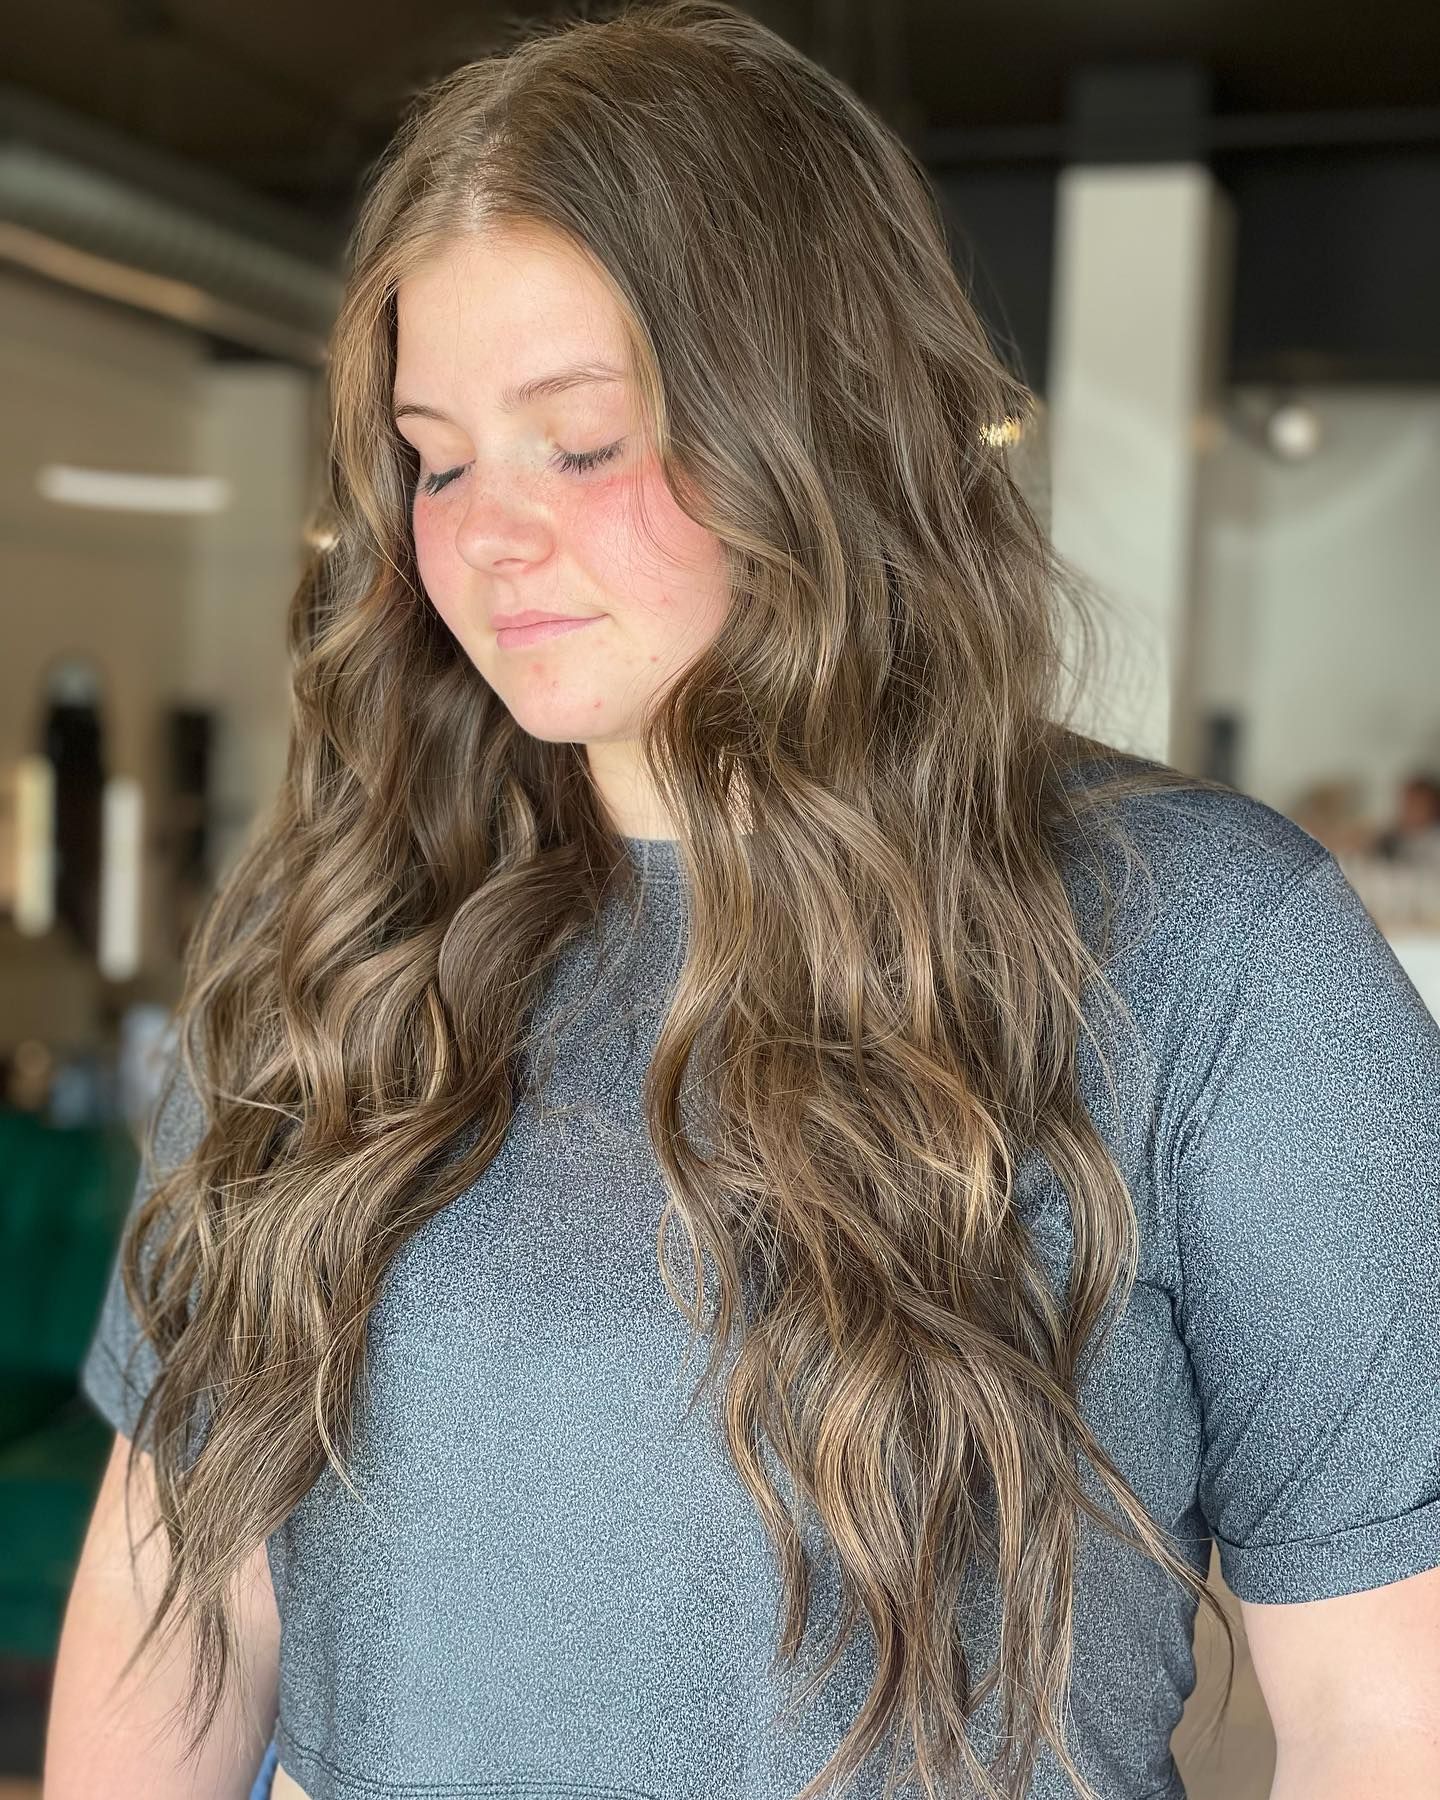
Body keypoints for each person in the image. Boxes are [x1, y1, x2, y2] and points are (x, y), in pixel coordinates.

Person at [45, 4, 1440, 1798]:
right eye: (437, 456)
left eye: (583, 441)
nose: (483, 535)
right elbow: (179, 1587)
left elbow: (1389, 1711)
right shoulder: (340, 937)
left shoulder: (1216, 952)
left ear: (818, 430)